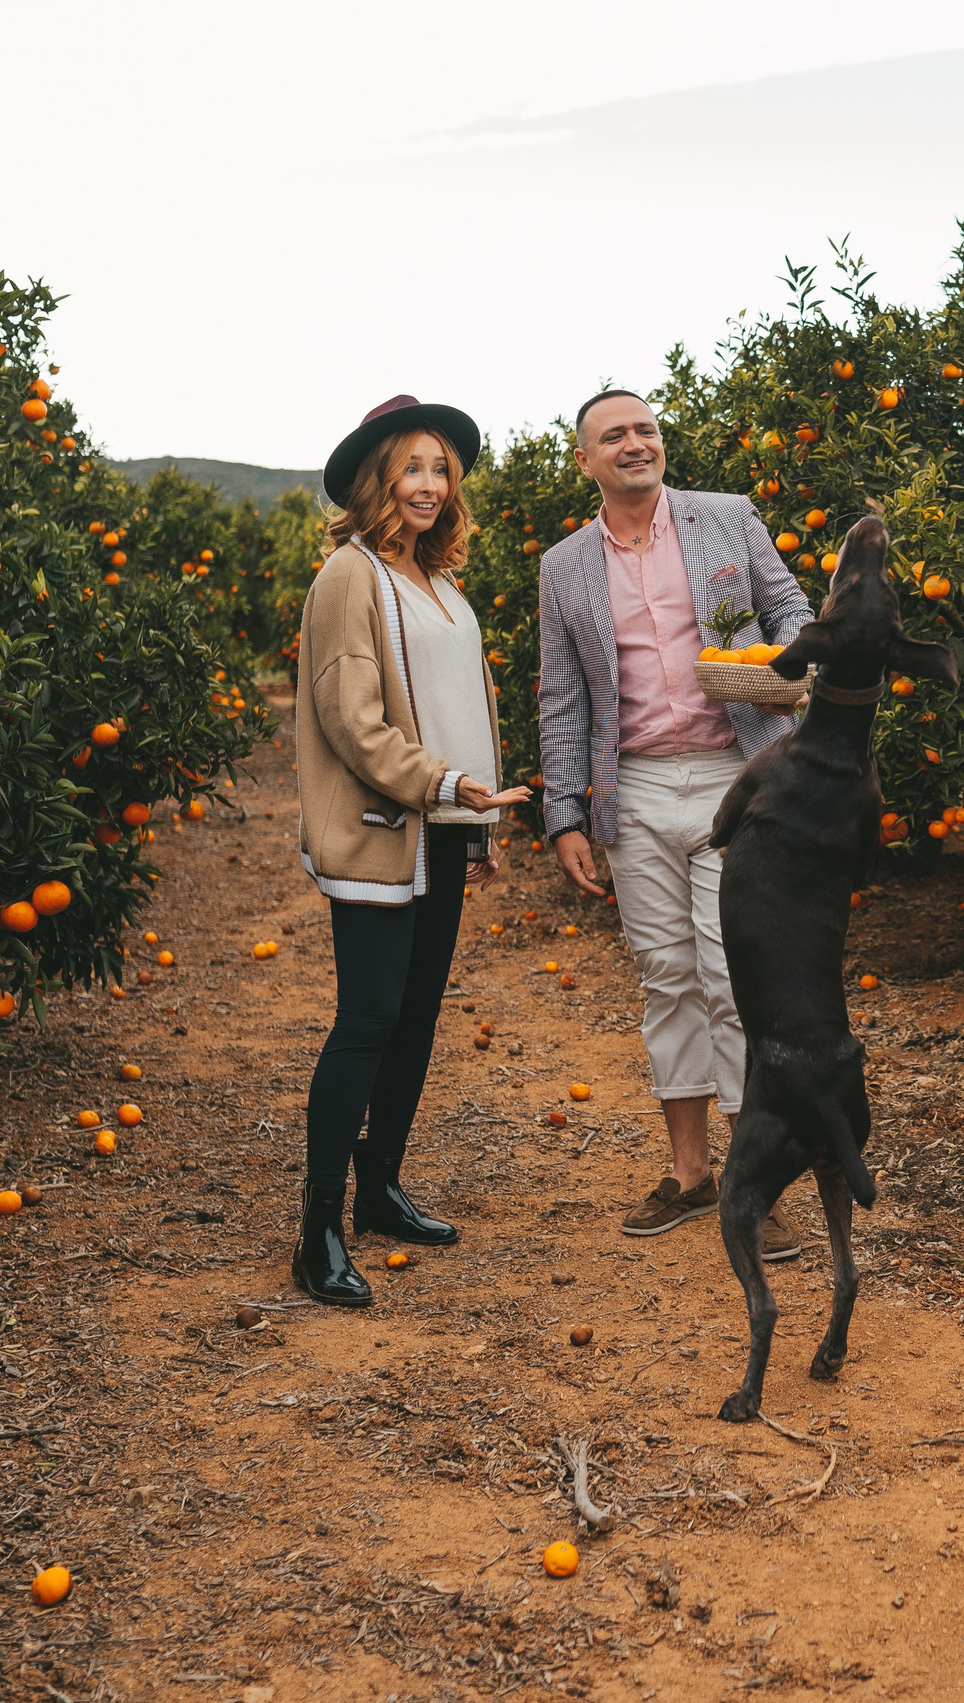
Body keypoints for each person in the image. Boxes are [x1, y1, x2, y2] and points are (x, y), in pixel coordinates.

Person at [537, 389, 815, 1254]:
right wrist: (563, 814)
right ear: (584, 461)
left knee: (735, 978)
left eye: (646, 428)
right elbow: (561, 697)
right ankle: (691, 1175)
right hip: (640, 789)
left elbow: (793, 608)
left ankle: (752, 1181)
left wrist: (786, 659)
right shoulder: (564, 567)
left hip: (739, 776)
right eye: (613, 435)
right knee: (666, 977)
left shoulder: (727, 518)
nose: (634, 443)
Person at [291, 395, 531, 1306]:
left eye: (441, 469)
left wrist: (475, 820)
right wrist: (445, 786)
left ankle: (380, 1185)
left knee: (419, 1015)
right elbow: (352, 722)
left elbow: (459, 708)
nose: (430, 484)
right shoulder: (351, 576)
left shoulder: (436, 580)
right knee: (369, 1019)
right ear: (376, 479)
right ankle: (317, 1227)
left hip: (441, 827)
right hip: (384, 829)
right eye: (413, 468)